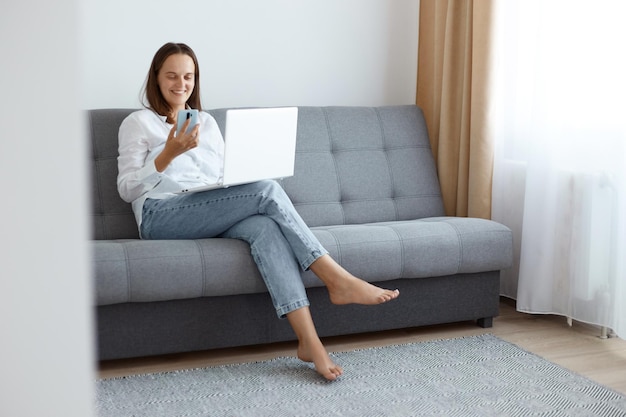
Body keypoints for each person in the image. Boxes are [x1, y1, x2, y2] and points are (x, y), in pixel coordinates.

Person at [117, 42, 400, 381]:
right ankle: (336, 278)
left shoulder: (205, 122)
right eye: (172, 76)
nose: (181, 84)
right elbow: (128, 189)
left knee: (264, 227)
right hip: (160, 215)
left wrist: (241, 177)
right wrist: (169, 153)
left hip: (208, 206)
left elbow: (221, 176)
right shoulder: (138, 123)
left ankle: (309, 342)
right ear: (157, 78)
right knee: (267, 190)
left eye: (188, 76)